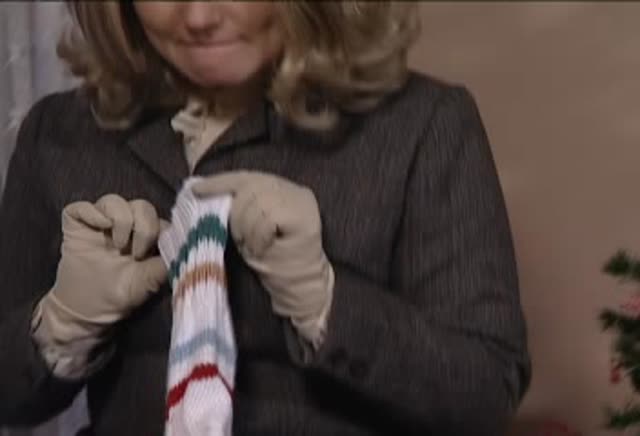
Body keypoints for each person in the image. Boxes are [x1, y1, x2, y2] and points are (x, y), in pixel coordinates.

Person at [0, 2, 530, 435]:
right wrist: (63, 323)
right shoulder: (59, 135)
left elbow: (484, 398)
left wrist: (324, 300)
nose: (199, 17)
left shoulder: (423, 124)